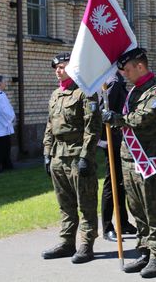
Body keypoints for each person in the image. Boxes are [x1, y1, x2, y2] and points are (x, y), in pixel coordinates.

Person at [102, 48, 156, 278]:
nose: (124, 74)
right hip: (129, 158)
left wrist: (117, 119)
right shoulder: (133, 92)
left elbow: (142, 118)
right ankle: (143, 251)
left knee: (153, 210)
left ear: (140, 66)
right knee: (137, 210)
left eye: (128, 69)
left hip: (149, 158)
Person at [42, 52, 102, 264]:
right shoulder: (56, 95)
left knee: (85, 202)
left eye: (63, 67)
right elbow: (50, 126)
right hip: (59, 155)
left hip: (78, 155)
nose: (59, 71)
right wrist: (47, 153)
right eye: (57, 68)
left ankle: (86, 244)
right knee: (65, 203)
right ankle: (67, 242)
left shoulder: (85, 93)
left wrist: (86, 156)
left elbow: (92, 128)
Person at [98, 72, 136, 242]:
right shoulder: (113, 81)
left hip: (118, 138)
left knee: (120, 182)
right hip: (112, 139)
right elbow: (105, 111)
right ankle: (107, 227)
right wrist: (103, 139)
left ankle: (123, 222)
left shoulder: (117, 80)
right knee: (112, 182)